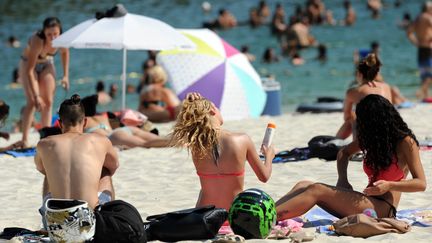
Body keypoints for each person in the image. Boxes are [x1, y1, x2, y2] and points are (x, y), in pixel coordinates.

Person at [276, 94, 426, 220]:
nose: (361, 126)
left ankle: (269, 218)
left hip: (383, 210)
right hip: (366, 201)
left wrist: (390, 185)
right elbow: (343, 153)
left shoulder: (406, 142)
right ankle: (266, 210)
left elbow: (421, 184)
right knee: (303, 184)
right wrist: (343, 179)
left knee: (317, 189)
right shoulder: (375, 138)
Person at [170, 92, 275, 212]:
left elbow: (184, 115)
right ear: (212, 111)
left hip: (203, 215)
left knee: (206, 189)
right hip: (233, 215)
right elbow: (264, 176)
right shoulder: (241, 139)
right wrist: (269, 156)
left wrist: (189, 103)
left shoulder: (197, 145)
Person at [35, 94, 119, 224]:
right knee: (105, 171)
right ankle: (107, 217)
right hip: (90, 222)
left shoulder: (44, 143)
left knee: (48, 171)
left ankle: (47, 220)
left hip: (57, 224)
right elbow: (114, 166)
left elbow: (41, 168)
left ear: (59, 123)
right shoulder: (100, 140)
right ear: (85, 121)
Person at [20, 17, 70, 147]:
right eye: (49, 34)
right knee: (32, 102)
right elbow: (30, 71)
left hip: (47, 64)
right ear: (44, 32)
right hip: (28, 65)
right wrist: (36, 96)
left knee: (48, 101)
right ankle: (24, 139)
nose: (53, 37)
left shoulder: (62, 40)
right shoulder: (38, 41)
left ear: (60, 32)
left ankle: (45, 137)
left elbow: (65, 53)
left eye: (55, 34)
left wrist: (65, 76)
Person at [336, 54, 392, 139]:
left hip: (370, 136)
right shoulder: (386, 87)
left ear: (359, 74)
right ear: (376, 73)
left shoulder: (353, 91)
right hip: (389, 131)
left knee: (353, 116)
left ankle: (338, 140)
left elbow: (347, 116)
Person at [82, 94, 167, 149]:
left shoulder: (83, 122)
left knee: (144, 144)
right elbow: (118, 124)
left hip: (114, 136)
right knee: (160, 139)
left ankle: (175, 141)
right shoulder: (103, 116)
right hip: (126, 129)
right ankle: (177, 140)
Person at [407, 1, 432, 99]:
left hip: (421, 48)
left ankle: (425, 96)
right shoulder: (429, 17)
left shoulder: (418, 18)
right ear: (429, 9)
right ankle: (420, 91)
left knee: (424, 74)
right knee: (430, 73)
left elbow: (409, 32)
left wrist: (416, 42)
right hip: (429, 47)